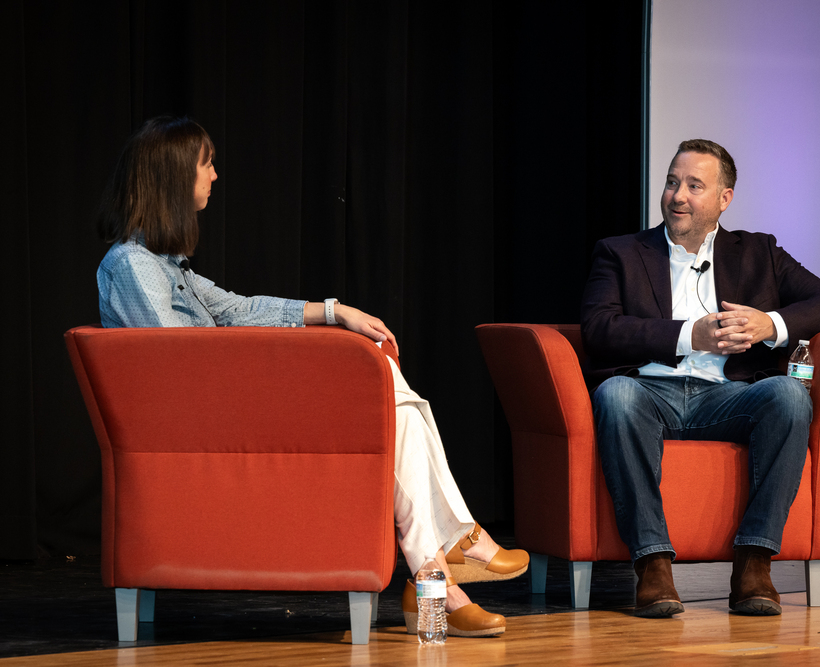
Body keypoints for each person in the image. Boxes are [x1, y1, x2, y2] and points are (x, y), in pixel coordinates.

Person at [96, 115, 527, 638]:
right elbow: (180, 365)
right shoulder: (132, 265)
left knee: (394, 405)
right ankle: (454, 548)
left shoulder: (167, 264)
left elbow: (238, 308)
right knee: (383, 386)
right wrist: (284, 367)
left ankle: (433, 580)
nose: (214, 176)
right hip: (208, 431)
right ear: (172, 177)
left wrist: (334, 312)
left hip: (227, 414)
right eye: (206, 164)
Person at [581, 139, 820, 617]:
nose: (677, 196)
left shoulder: (759, 252)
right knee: (616, 395)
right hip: (649, 393)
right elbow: (599, 329)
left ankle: (754, 562)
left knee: (788, 396)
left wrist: (771, 324)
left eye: (694, 186)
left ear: (724, 198)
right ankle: (653, 564)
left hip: (728, 398)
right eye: (672, 183)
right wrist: (689, 335)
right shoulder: (620, 252)